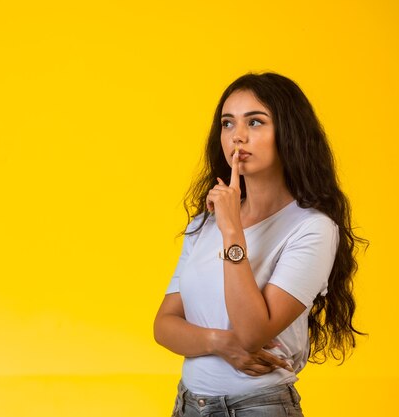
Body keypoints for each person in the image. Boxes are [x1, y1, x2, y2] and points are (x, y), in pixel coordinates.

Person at [153, 72, 366, 417]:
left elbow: (252, 334)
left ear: (288, 132)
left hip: (259, 407)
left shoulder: (312, 229)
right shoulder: (204, 223)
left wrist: (232, 231)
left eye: (255, 122)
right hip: (188, 405)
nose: (237, 137)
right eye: (227, 123)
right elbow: (164, 325)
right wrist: (220, 343)